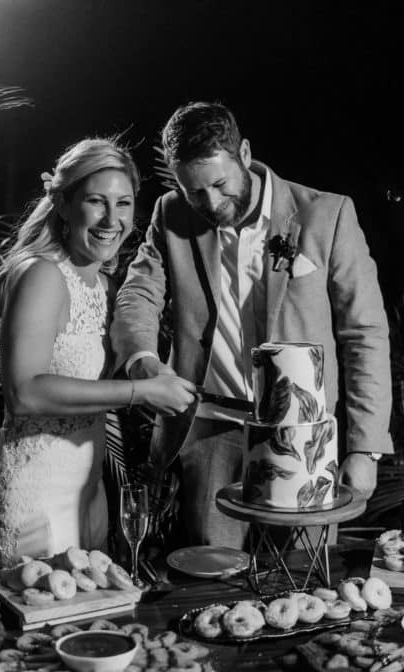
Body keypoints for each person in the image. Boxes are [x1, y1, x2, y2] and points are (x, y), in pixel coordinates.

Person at [110, 102, 393, 549]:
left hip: (304, 438)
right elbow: (138, 294)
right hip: (210, 431)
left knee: (302, 575)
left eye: (220, 185)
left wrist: (365, 448)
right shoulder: (172, 214)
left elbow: (365, 334)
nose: (210, 203)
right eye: (194, 191)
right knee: (212, 577)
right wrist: (143, 361)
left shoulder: (328, 215)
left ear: (243, 153)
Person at [0, 137, 196, 569]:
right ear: (63, 204)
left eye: (123, 204)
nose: (112, 219)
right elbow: (24, 392)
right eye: (96, 202)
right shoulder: (42, 275)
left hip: (87, 496)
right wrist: (141, 392)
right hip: (34, 498)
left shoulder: (104, 285)